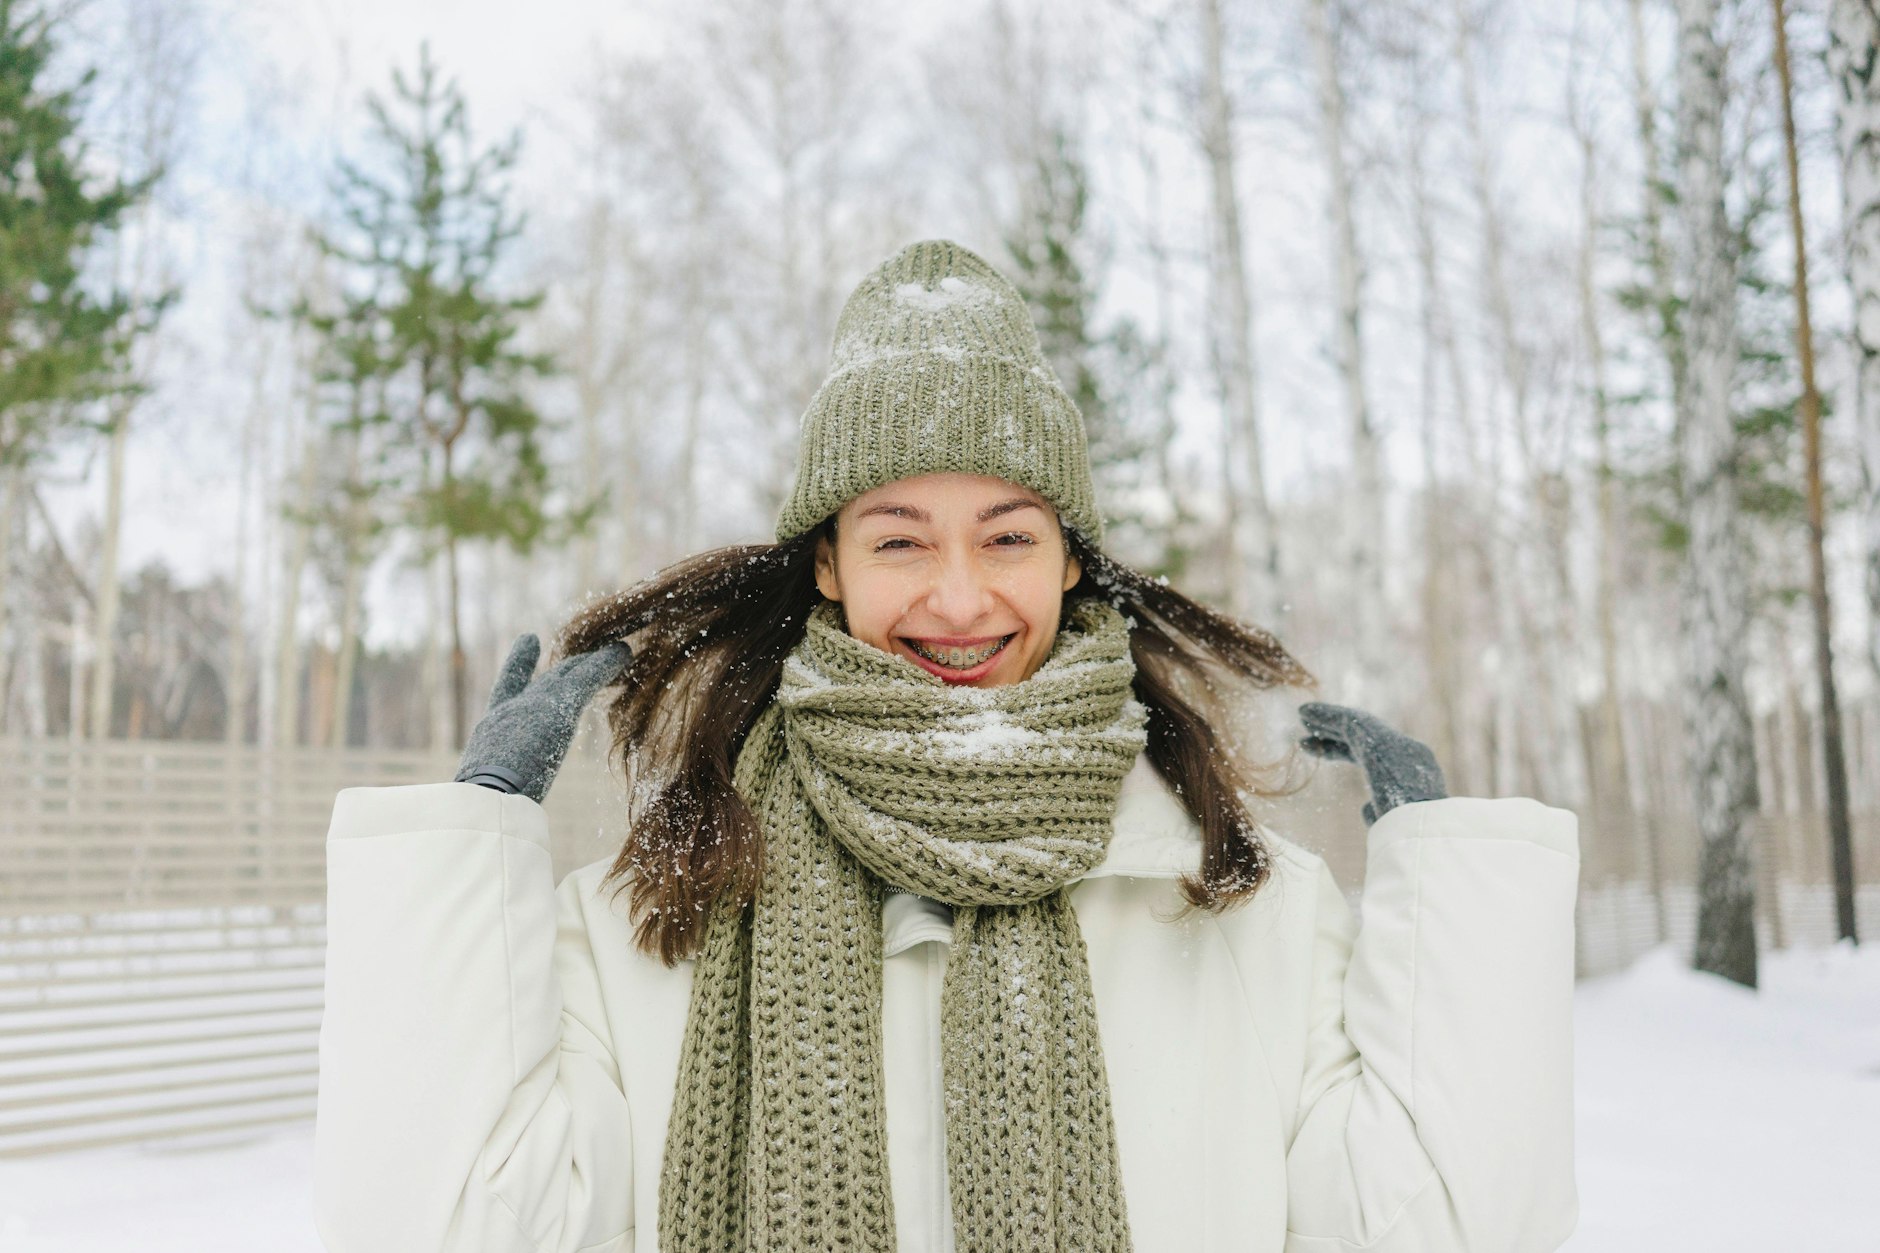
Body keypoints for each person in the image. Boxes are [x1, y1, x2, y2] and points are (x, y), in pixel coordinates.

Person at [312, 240, 1580, 1253]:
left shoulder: (1243, 910)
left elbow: (1453, 1230)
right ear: (829, 563)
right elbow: (445, 1226)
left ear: (1074, 556)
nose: (959, 597)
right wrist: (466, 846)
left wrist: (1451, 892)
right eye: (901, 538)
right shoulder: (652, 916)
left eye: (1009, 535)